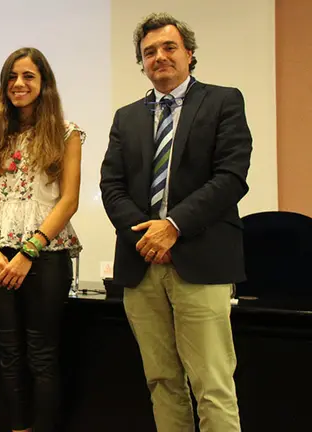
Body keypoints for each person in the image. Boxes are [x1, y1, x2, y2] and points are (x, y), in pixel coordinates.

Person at [99, 13, 251, 432]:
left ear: (189, 53)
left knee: (213, 385)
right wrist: (148, 235)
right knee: (161, 381)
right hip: (141, 265)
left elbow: (231, 177)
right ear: (142, 63)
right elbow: (111, 186)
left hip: (201, 262)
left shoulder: (223, 101)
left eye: (169, 48)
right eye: (149, 52)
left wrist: (174, 225)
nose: (159, 57)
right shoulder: (126, 117)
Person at [0, 47, 84, 432]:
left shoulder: (67, 134)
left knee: (42, 354)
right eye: (12, 77)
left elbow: (69, 201)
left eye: (28, 76)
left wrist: (27, 252)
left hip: (45, 256)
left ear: (43, 83)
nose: (19, 84)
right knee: (8, 354)